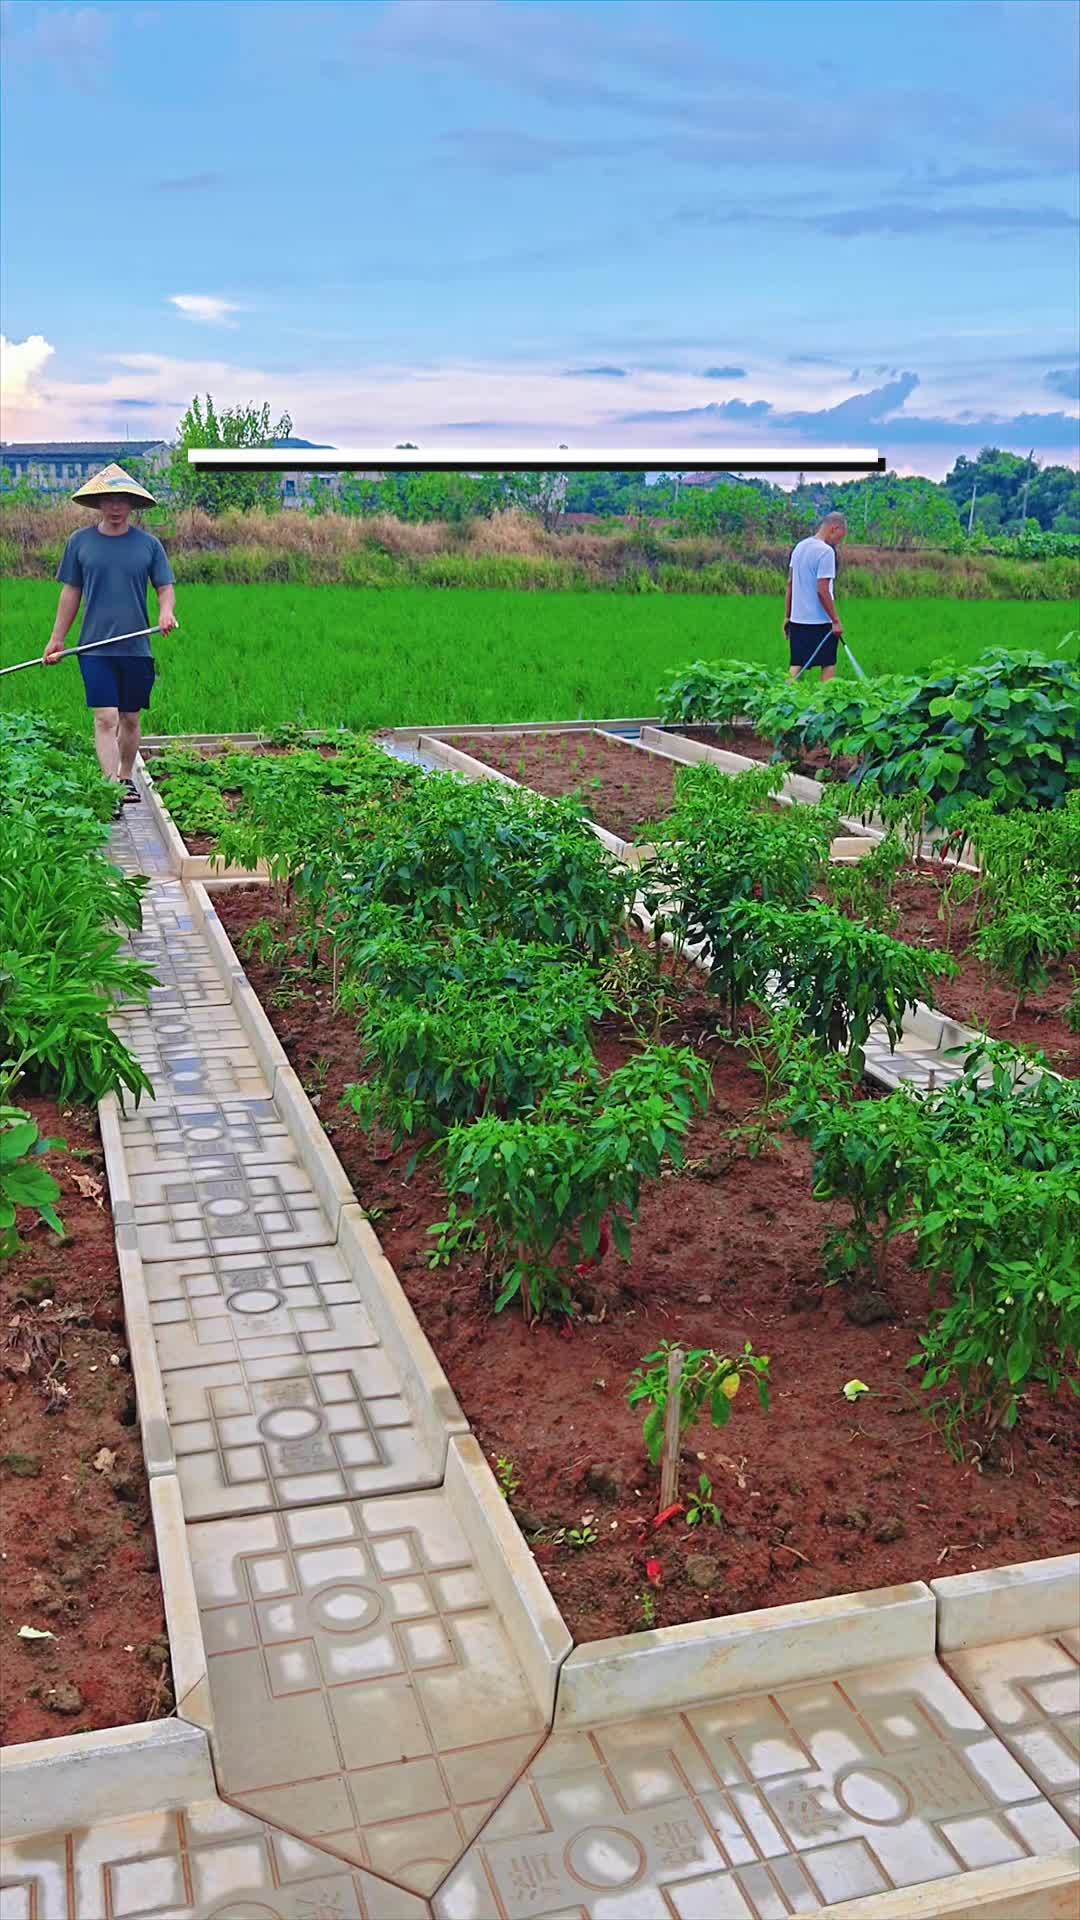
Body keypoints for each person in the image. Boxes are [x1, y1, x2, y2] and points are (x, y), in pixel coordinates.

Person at [43, 463, 178, 803]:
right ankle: (109, 789)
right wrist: (57, 638)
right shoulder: (80, 542)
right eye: (109, 500)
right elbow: (71, 592)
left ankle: (125, 776)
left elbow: (165, 587)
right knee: (106, 718)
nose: (116, 507)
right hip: (94, 648)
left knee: (130, 719)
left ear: (131, 505)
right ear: (99, 504)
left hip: (136, 648)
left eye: (122, 500)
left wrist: (165, 612)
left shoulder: (149, 546)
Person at [784, 511, 847, 681]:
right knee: (828, 664)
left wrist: (788, 616)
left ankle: (783, 699)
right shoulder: (826, 552)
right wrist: (835, 620)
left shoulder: (800, 547)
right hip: (819, 622)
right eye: (839, 537)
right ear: (834, 528)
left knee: (796, 664)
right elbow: (823, 590)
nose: (838, 543)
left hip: (798, 621)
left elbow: (790, 584)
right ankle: (824, 704)